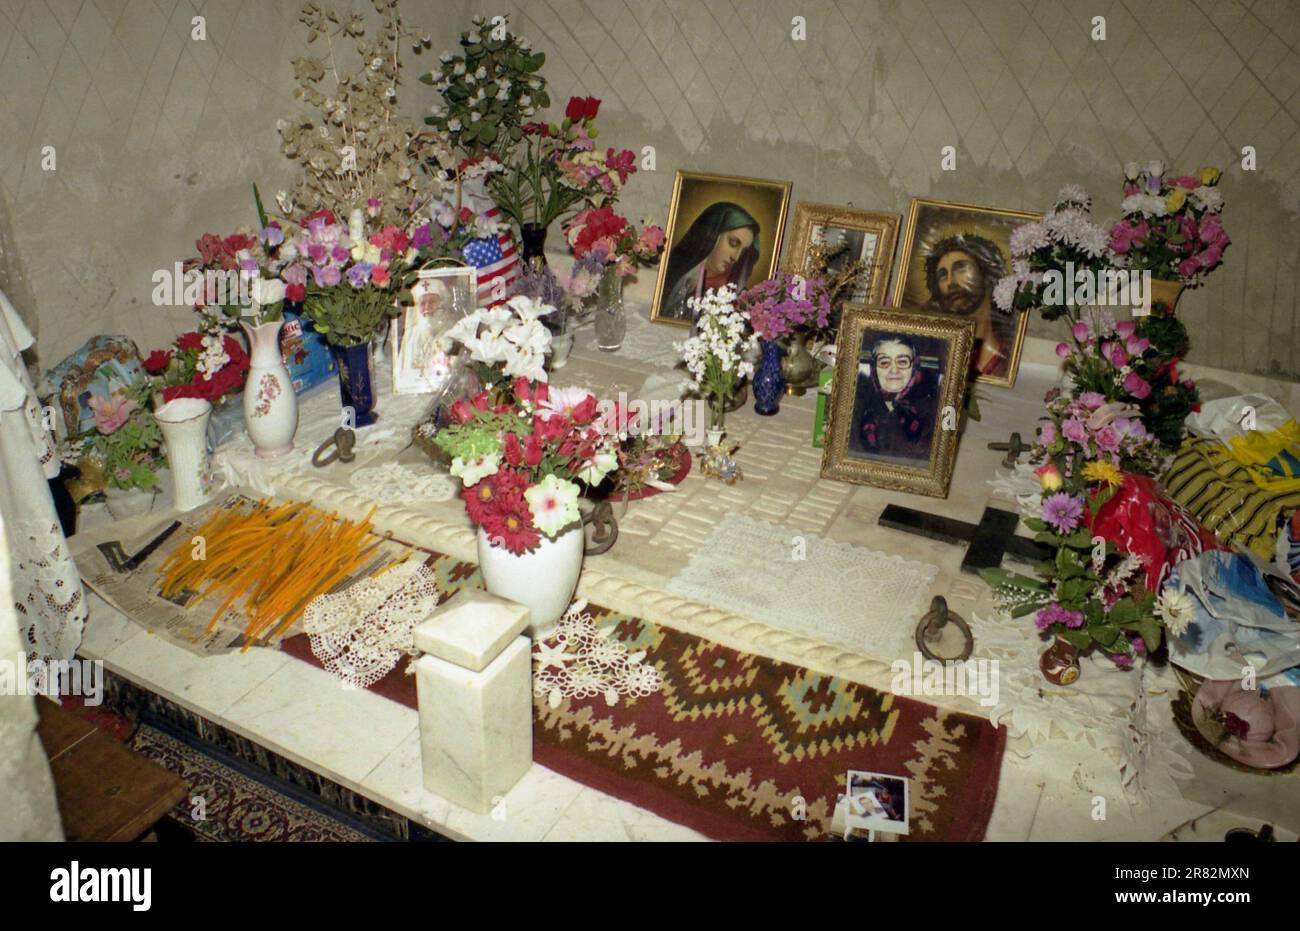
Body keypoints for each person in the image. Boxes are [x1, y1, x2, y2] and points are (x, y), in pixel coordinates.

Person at [923, 233, 1012, 379]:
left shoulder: (1008, 360)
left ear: (985, 274)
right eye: (943, 275)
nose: (951, 282)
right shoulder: (932, 355)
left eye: (961, 268)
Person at [659, 202, 761, 323]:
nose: (736, 258)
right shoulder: (673, 273)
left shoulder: (731, 296)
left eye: (743, 252)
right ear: (712, 235)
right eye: (733, 243)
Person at [849, 335, 938, 463]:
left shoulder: (934, 411)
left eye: (902, 361)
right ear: (874, 368)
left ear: (914, 367)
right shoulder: (852, 404)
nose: (894, 370)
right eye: (884, 362)